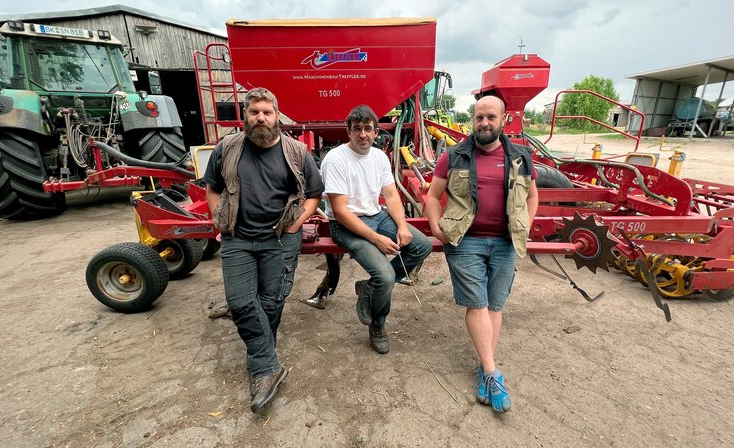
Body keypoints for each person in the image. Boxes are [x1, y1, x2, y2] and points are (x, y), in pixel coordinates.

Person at [203, 87, 324, 413]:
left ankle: (260, 362)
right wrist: (218, 219)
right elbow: (212, 187)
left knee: (272, 302)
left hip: (280, 238)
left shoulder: (297, 152)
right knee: (241, 302)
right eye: (254, 112)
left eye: (267, 112)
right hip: (238, 238)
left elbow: (315, 193)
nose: (260, 118)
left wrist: (297, 223)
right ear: (245, 115)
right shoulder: (227, 148)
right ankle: (267, 365)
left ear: (277, 116)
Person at [424, 96, 539, 414]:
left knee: (495, 306)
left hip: (505, 241)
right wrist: (435, 225)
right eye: (478, 117)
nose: (484, 123)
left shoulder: (521, 156)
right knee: (478, 304)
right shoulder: (454, 156)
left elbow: (532, 196)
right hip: (466, 241)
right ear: (472, 120)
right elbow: (433, 196)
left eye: (490, 117)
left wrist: (525, 224)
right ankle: (492, 372)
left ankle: (485, 367)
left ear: (503, 120)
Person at [321, 105, 432, 354]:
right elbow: (340, 211)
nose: (363, 134)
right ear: (348, 131)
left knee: (421, 246)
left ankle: (370, 288)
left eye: (368, 129)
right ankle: (378, 325)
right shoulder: (336, 159)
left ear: (376, 132)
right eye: (357, 129)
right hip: (346, 224)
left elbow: (391, 196)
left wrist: (402, 226)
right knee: (385, 275)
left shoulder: (379, 156)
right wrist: (376, 239)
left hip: (377, 215)